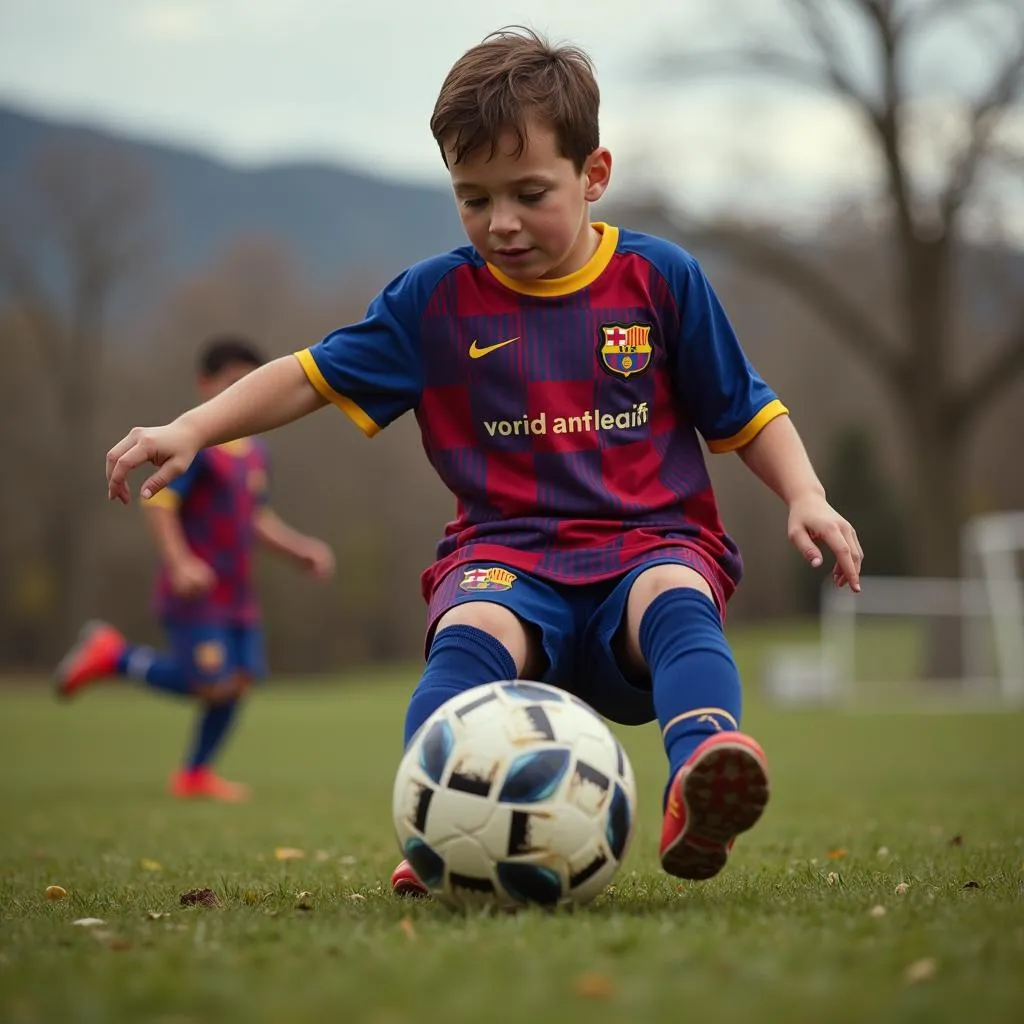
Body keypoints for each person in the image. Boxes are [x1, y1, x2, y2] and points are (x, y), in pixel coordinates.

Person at [103, 29, 862, 887]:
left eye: (530, 193)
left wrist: (805, 493)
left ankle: (699, 776)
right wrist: (194, 428)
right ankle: (435, 828)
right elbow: (307, 376)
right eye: (473, 199)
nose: (500, 223)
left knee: (674, 593)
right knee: (470, 632)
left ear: (594, 175)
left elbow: (746, 407)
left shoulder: (661, 279)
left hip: (647, 544)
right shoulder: (433, 301)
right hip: (506, 556)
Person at [57, 336, 335, 801]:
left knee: (240, 680)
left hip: (238, 596)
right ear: (205, 385)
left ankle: (194, 775)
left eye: (251, 382)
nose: (242, 391)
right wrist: (181, 562)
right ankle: (114, 656)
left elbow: (255, 517)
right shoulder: (197, 445)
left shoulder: (254, 453)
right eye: (231, 382)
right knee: (207, 682)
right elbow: (160, 505)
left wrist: (297, 549)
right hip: (196, 593)